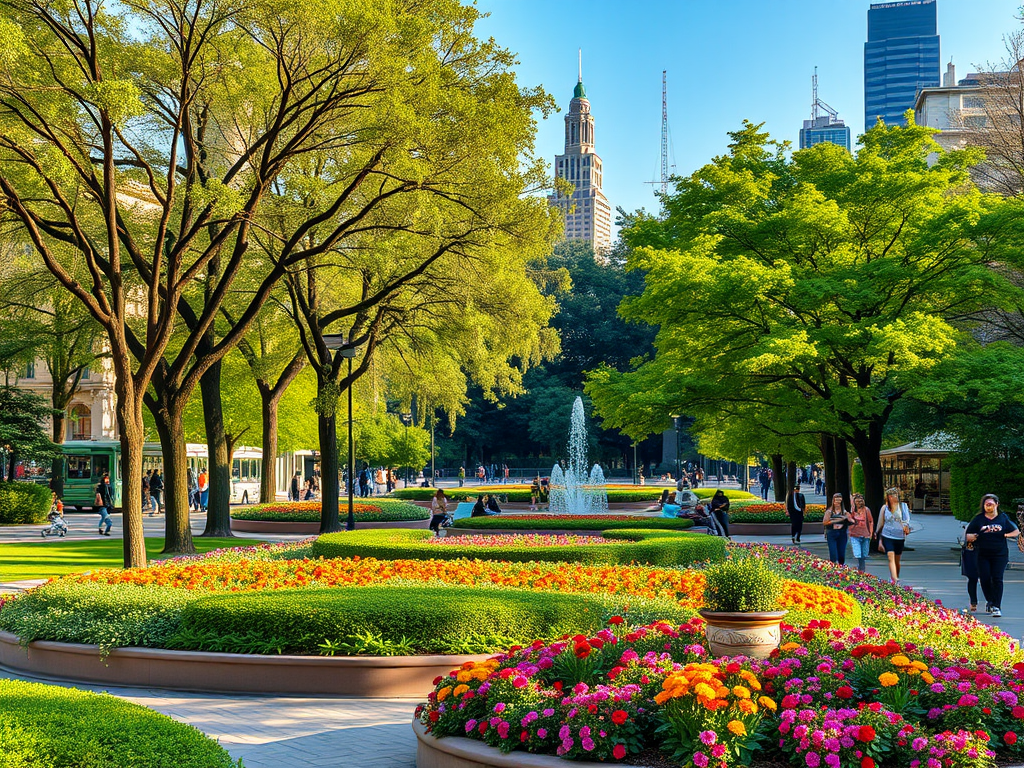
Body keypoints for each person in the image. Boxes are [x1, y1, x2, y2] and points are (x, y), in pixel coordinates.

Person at [964, 493, 1019, 618]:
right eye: (986, 504)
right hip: (982, 554)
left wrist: (1005, 535)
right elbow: (968, 534)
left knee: (997, 578)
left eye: (991, 504)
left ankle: (996, 606)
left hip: (1000, 554)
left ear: (997, 505)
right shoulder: (979, 519)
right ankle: (990, 600)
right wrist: (972, 537)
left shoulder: (1003, 518)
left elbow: (1016, 531)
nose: (988, 507)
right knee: (985, 578)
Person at [878, 487, 912, 584]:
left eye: (896, 495)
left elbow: (906, 520)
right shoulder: (885, 508)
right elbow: (881, 523)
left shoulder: (903, 506)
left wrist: (906, 527)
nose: (894, 497)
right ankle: (894, 578)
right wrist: (879, 537)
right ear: (888, 497)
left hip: (899, 536)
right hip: (887, 535)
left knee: (897, 560)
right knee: (890, 556)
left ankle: (896, 576)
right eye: (892, 495)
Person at [823, 493, 854, 565]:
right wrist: (836, 521)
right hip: (832, 532)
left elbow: (852, 520)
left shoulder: (844, 512)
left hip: (842, 533)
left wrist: (849, 519)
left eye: (839, 501)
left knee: (841, 553)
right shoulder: (829, 511)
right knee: (833, 552)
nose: (837, 503)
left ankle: (841, 567)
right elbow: (825, 522)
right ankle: (834, 567)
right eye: (836, 501)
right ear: (833, 501)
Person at [848, 493, 874, 572]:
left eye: (861, 501)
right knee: (858, 553)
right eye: (857, 502)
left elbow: (870, 521)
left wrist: (871, 533)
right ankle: (861, 569)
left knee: (864, 554)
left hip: (865, 534)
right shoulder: (852, 511)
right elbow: (849, 520)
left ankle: (861, 568)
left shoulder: (866, 510)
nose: (859, 503)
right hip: (854, 534)